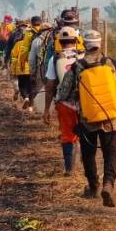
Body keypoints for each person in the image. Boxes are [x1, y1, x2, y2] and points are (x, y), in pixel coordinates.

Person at [57, 30, 116, 206]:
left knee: (88, 153)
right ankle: (108, 184)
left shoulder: (77, 67)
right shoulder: (112, 64)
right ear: (100, 44)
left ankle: (93, 186)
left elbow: (63, 93)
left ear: (84, 44)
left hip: (87, 118)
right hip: (111, 117)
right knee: (110, 152)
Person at [44, 26, 85, 175]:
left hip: (65, 103)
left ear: (60, 42)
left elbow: (49, 86)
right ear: (76, 40)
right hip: (85, 103)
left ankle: (69, 169)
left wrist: (46, 109)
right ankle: (87, 165)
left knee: (68, 135)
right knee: (86, 133)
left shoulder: (55, 59)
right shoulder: (84, 56)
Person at [9, 20, 35, 109]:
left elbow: (14, 58)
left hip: (21, 69)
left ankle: (26, 98)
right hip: (31, 69)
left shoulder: (18, 44)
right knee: (30, 87)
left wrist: (13, 70)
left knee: (22, 86)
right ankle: (31, 107)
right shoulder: (33, 44)